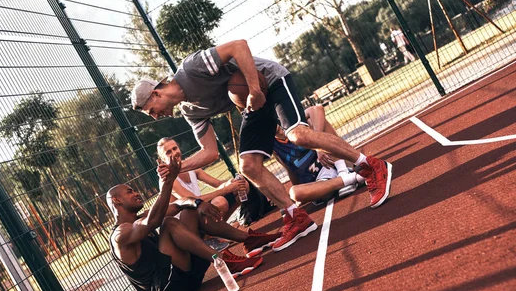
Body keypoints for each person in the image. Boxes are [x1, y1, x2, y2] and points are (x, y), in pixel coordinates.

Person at [131, 39, 393, 254]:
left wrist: (255, 89)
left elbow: (239, 46)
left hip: (270, 81)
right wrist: (178, 168)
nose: (156, 116)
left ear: (156, 94)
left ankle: (371, 166)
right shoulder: (190, 110)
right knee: (248, 166)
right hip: (251, 104)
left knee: (298, 135)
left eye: (151, 111)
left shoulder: (192, 69)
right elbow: (209, 152)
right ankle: (295, 217)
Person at [106, 155, 280, 291]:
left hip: (184, 276)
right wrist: (168, 182)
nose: (137, 193)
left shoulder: (139, 218)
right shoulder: (120, 235)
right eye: (130, 191)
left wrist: (197, 202)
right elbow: (154, 221)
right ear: (116, 200)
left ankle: (249, 239)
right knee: (168, 223)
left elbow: (178, 204)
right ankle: (223, 261)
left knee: (190, 210)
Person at [273, 105, 366, 205]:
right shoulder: (275, 148)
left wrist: (318, 146)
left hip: (335, 162)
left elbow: (317, 109)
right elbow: (291, 171)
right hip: (321, 181)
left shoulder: (293, 124)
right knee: (295, 193)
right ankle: (355, 178)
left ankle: (344, 172)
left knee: (317, 120)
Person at [157, 137, 248, 221]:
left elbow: (217, 183)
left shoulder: (191, 167)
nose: (174, 153)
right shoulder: (168, 179)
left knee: (243, 185)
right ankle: (209, 235)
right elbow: (195, 200)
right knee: (220, 202)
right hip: (187, 221)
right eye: (168, 152)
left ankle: (220, 229)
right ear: (162, 159)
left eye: (175, 148)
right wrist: (228, 188)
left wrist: (235, 182)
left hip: (200, 207)